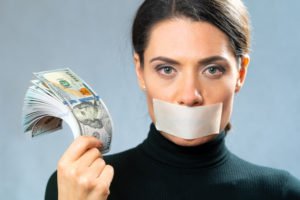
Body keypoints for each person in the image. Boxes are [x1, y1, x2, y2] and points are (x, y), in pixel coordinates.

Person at [45, 0, 300, 199]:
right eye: (167, 69)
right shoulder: (78, 187)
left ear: (240, 73)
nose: (189, 96)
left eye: (212, 69)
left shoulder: (281, 192)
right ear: (140, 71)